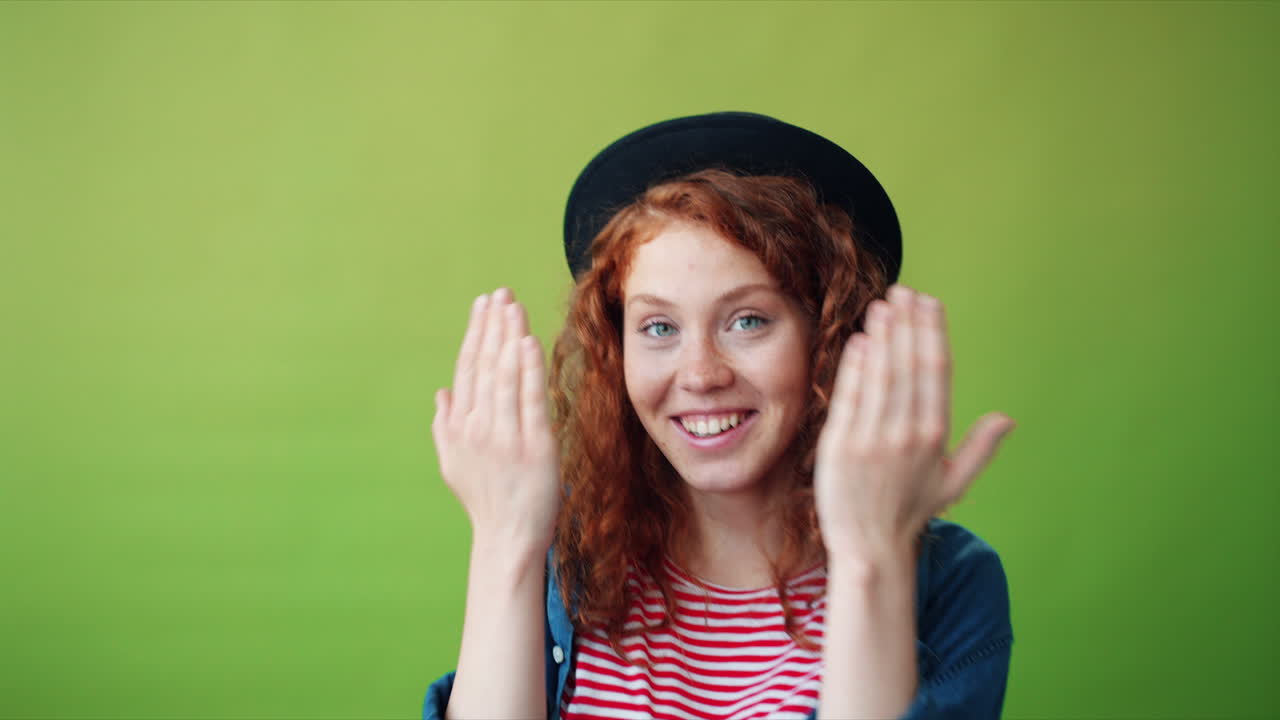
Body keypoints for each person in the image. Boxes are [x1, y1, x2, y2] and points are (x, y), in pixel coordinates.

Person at [423, 112, 1016, 720]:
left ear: (829, 337)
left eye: (748, 320)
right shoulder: (563, 559)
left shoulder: (948, 583)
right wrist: (505, 542)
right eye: (658, 327)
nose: (701, 374)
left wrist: (871, 559)